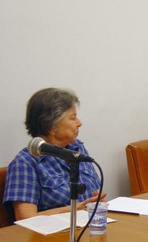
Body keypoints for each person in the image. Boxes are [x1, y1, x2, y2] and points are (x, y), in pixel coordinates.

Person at [3, 87, 105, 220]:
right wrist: (75, 209)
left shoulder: (77, 149)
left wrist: (96, 202)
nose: (79, 123)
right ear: (52, 126)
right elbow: (25, 219)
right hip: (50, 237)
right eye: (72, 118)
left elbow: (94, 194)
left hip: (89, 227)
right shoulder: (25, 162)